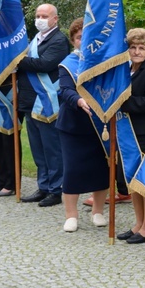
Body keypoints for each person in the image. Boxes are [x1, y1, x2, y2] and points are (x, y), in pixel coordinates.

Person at [56, 18, 108, 232]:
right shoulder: (68, 64)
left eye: (86, 37)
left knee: (100, 170)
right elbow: (65, 90)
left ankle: (98, 211)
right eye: (79, 38)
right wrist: (78, 101)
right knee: (73, 171)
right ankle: (71, 215)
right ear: (73, 41)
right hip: (73, 126)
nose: (82, 41)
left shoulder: (103, 61)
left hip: (99, 125)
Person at [17, 3, 70, 207]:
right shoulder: (34, 40)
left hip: (47, 103)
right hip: (31, 102)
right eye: (38, 15)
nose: (40, 19)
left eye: (45, 15)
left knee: (52, 149)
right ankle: (43, 186)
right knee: (38, 149)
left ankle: (56, 190)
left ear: (55, 19)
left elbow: (45, 65)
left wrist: (18, 60)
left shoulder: (59, 40)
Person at [115, 28, 145, 244]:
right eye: (133, 47)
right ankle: (138, 223)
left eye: (141, 48)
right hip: (127, 130)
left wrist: (122, 103)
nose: (136, 51)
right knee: (133, 179)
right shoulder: (125, 69)